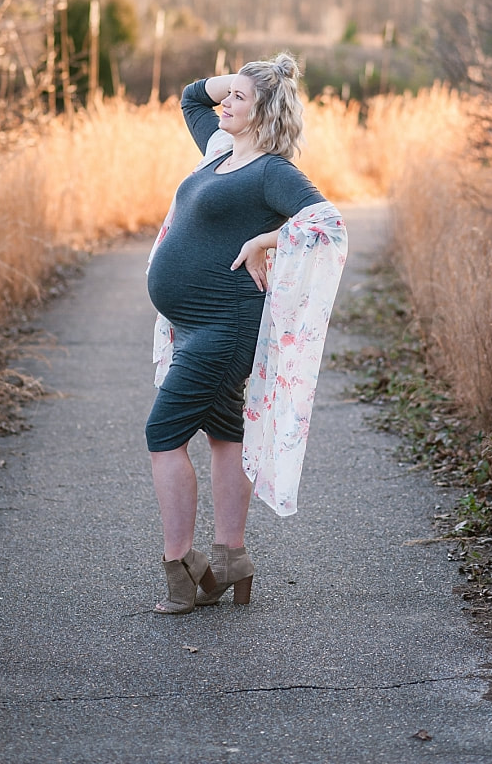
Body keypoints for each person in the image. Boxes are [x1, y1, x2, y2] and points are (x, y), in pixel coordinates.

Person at [145, 52, 343, 615]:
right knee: (227, 435)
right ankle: (231, 557)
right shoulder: (220, 154)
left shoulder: (272, 172)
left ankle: (182, 568)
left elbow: (326, 224)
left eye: (239, 99)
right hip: (192, 326)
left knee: (162, 436)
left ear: (266, 115)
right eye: (227, 94)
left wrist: (264, 242)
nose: (225, 103)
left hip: (225, 329)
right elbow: (189, 94)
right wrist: (247, 77)